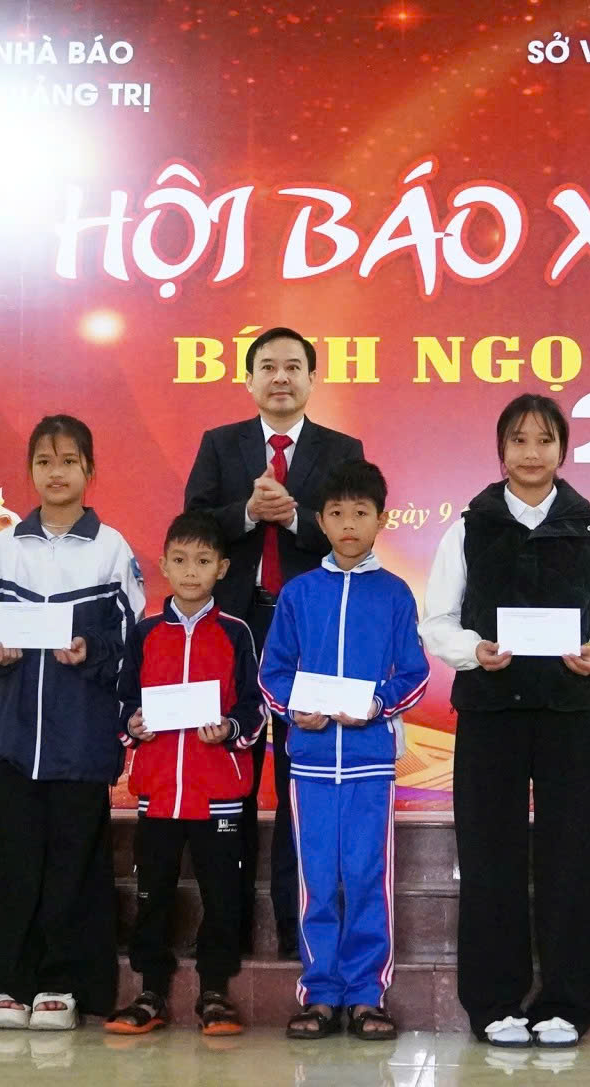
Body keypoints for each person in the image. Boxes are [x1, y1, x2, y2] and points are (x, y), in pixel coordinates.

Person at [421, 395, 590, 1049]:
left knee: (573, 856)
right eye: (519, 439)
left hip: (571, 712)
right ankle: (494, 1003)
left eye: (545, 439)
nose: (532, 452)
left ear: (563, 449)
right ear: (501, 450)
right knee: (490, 854)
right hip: (491, 711)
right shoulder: (469, 526)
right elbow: (438, 620)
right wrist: (473, 651)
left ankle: (566, 1003)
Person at [184, 326, 366, 958]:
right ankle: (226, 931)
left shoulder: (341, 450)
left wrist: (293, 517)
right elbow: (193, 527)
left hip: (308, 634)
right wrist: (246, 513)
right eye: (268, 366)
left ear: (313, 378)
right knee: (230, 774)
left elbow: (352, 530)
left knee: (299, 781)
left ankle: (297, 929)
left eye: (293, 366)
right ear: (249, 379)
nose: (280, 377)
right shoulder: (220, 444)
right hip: (232, 629)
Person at [0, 415, 143, 1031]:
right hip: (15, 736)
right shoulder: (0, 549)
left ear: (89, 470)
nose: (57, 472)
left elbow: (129, 643)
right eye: (45, 461)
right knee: (12, 864)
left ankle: (64, 985)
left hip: (81, 736)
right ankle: (8, 986)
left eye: (69, 461)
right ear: (30, 471)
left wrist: (90, 650)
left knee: (75, 865)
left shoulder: (111, 549)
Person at [259, 460, 430, 1041]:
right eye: (337, 513)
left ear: (382, 519)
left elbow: (413, 674)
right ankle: (319, 993)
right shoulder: (299, 593)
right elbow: (273, 671)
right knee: (316, 879)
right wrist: (293, 710)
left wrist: (377, 705)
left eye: (361, 513)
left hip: (368, 764)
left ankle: (365, 994)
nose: (349, 524)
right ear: (321, 521)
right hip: (309, 764)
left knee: (365, 877)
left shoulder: (394, 593)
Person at [106, 511, 264, 1037]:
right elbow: (123, 701)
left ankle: (215, 992)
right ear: (163, 566)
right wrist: (132, 726)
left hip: (218, 792)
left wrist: (231, 729)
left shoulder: (236, 633)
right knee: (153, 892)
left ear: (222, 568)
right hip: (158, 794)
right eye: (180, 560)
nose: (191, 571)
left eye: (202, 560)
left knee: (222, 894)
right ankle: (150, 991)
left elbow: (255, 706)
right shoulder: (146, 633)